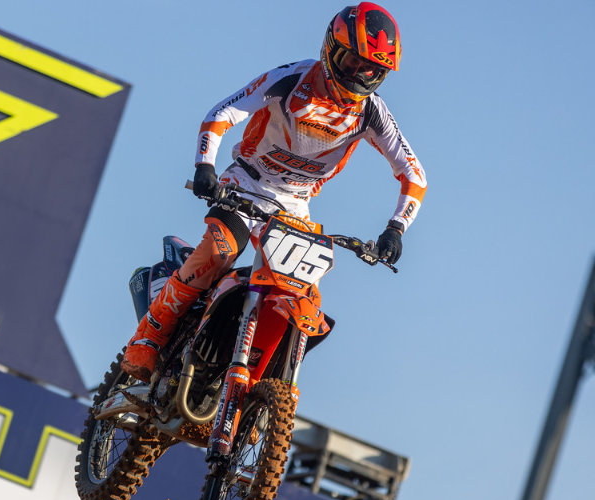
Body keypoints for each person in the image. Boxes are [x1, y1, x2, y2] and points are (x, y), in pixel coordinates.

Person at [121, 2, 427, 382]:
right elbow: (223, 113)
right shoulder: (292, 78)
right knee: (220, 251)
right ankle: (148, 337)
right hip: (248, 183)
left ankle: (252, 381)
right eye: (352, 64)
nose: (358, 78)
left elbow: (414, 174)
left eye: (373, 71)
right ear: (331, 48)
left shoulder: (372, 112)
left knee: (303, 298)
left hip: (295, 205)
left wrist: (396, 228)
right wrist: (205, 165)